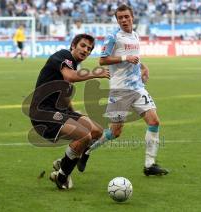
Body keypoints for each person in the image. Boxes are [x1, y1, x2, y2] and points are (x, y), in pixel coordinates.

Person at [77, 4, 168, 176]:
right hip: (120, 90)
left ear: (132, 17)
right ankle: (87, 150)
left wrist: (143, 67)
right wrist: (126, 57)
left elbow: (135, 57)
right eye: (120, 18)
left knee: (154, 122)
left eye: (126, 16)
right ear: (117, 20)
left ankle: (149, 165)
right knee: (115, 132)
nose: (124, 20)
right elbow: (102, 60)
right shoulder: (113, 37)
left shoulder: (135, 35)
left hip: (138, 88)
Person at [30, 34, 110, 189]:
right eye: (83, 46)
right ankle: (61, 177)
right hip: (43, 113)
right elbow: (70, 76)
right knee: (84, 135)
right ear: (73, 45)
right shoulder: (63, 56)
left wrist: (74, 114)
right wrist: (95, 73)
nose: (86, 50)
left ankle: (64, 162)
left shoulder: (73, 65)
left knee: (97, 131)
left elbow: (65, 95)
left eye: (89, 49)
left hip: (58, 111)